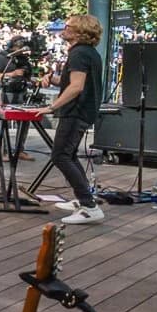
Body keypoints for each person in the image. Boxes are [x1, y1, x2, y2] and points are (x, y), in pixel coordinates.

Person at [38, 14, 106, 225]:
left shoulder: (78, 53)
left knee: (60, 156)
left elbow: (77, 87)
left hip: (76, 112)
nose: (63, 29)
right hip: (84, 110)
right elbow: (74, 81)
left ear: (79, 31)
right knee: (70, 154)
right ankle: (83, 198)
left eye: (68, 26)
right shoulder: (89, 53)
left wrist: (51, 107)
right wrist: (56, 80)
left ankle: (89, 207)